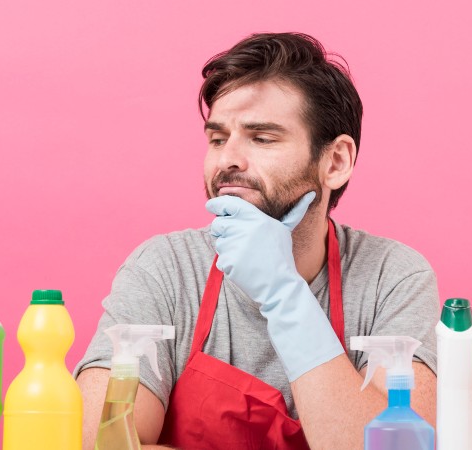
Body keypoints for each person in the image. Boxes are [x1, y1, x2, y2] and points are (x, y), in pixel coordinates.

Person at [75, 32, 439, 450]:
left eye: (262, 138)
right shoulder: (165, 269)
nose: (228, 159)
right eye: (217, 139)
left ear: (335, 162)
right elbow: (100, 443)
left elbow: (395, 447)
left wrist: (284, 296)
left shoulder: (391, 278)